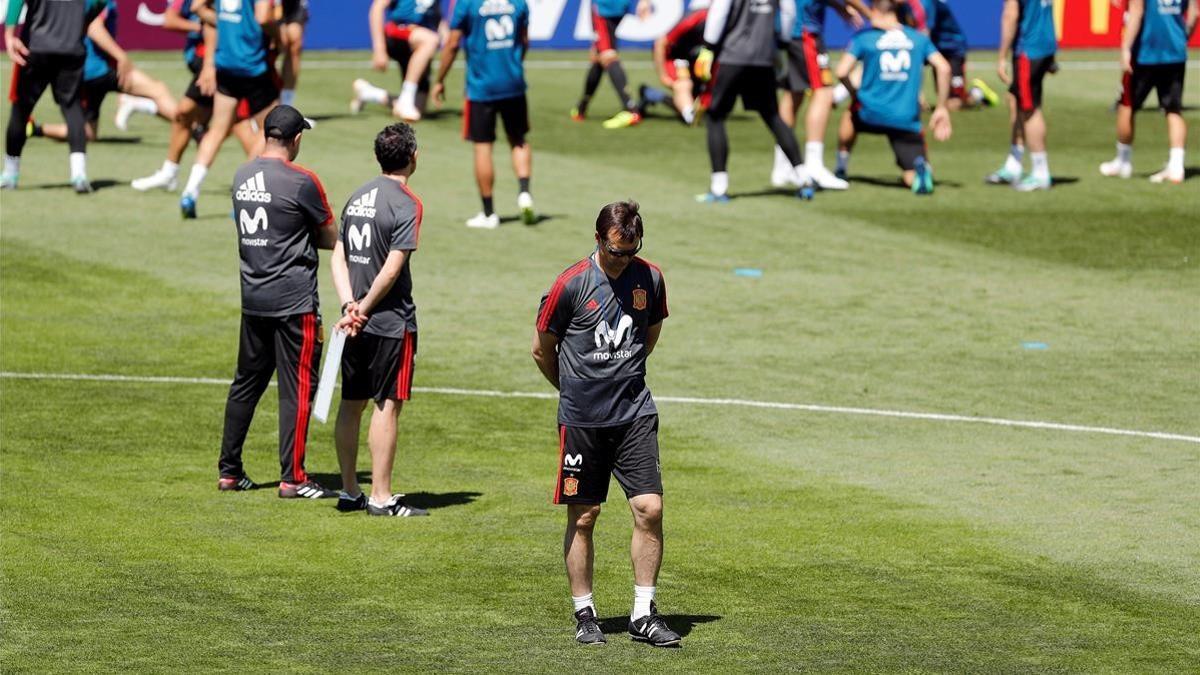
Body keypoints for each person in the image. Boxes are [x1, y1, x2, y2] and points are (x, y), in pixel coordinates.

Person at [531, 201, 679, 647]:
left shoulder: (649, 277)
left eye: (631, 251)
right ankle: (585, 613)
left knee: (649, 508)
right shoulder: (570, 284)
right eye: (616, 251)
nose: (623, 260)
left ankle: (642, 613)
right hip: (582, 421)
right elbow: (542, 349)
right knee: (585, 516)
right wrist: (573, 388)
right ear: (598, 240)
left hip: (634, 413)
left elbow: (649, 333)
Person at [218, 105, 339, 499]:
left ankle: (229, 471)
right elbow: (330, 236)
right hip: (293, 302)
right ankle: (294, 477)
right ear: (296, 138)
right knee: (298, 388)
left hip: (253, 297)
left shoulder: (240, 175)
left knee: (246, 384)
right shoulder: (303, 181)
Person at [329, 123, 430, 517]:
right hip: (389, 322)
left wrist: (348, 305)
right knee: (386, 406)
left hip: (353, 320)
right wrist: (366, 307)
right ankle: (381, 496)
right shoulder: (407, 203)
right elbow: (392, 268)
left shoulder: (357, 197)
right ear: (413, 157)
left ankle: (350, 490)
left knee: (351, 403)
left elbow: (337, 253)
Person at [130, 0, 257, 192]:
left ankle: (263, 180)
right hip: (212, 62)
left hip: (225, 61)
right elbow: (173, 19)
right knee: (185, 114)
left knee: (239, 123)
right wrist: (200, 26)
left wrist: (210, 63)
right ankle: (169, 173)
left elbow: (209, 17)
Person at [693, 0, 813, 201]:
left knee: (715, 116)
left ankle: (719, 186)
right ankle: (803, 177)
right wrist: (782, 45)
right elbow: (789, 11)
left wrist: (708, 46)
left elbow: (719, 11)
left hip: (731, 55)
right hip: (763, 57)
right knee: (772, 116)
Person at [432, 0, 535, 229]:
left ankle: (489, 213)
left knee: (482, 146)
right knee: (518, 139)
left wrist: (439, 80)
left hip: (481, 88)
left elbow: (452, 43)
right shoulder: (518, 2)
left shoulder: (467, 3)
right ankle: (525, 193)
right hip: (514, 83)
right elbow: (524, 40)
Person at [833, 0, 952, 194]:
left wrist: (855, 94)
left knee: (850, 114)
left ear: (873, 10)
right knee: (910, 175)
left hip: (869, 112)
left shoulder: (865, 38)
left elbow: (841, 71)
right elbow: (944, 68)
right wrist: (941, 107)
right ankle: (919, 171)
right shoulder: (918, 39)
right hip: (905, 118)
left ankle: (841, 167)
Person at [179, 0, 280, 219]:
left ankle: (190, 191)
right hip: (253, 66)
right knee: (271, 129)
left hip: (226, 64)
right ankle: (242, 193)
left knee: (217, 129)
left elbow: (197, 7)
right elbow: (263, 17)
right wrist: (278, 35)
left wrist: (227, 24)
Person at [32, 0, 178, 144]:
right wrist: (121, 56)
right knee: (158, 90)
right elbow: (94, 27)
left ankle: (33, 129)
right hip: (97, 69)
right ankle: (195, 129)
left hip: (86, 71)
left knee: (87, 132)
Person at [2, 0, 102, 193]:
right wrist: (82, 22)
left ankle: (10, 174)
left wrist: (8, 34)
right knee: (72, 108)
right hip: (71, 47)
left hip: (35, 47)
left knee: (21, 109)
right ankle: (79, 174)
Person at [772, 0, 869, 191]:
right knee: (823, 92)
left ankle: (782, 166)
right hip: (804, 31)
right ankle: (813, 165)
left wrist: (839, 8)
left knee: (793, 93)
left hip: (787, 29)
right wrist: (871, 14)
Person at [1099, 0, 1196, 184]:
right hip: (1174, 52)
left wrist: (1126, 48)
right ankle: (1176, 166)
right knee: (1173, 110)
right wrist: (1181, 39)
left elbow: (1137, 12)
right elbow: (1193, 15)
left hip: (1145, 52)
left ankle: (1123, 160)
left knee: (1127, 105)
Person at [986, 0, 1056, 191]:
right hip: (1043, 45)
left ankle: (1041, 172)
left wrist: (1001, 56)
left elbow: (1010, 15)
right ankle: (1014, 163)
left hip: (1029, 49)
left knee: (1029, 109)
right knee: (1016, 101)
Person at [352, 0, 442, 121]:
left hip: (419, 42)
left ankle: (369, 93)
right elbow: (377, 8)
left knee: (419, 108)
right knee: (431, 40)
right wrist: (379, 49)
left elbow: (437, 15)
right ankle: (406, 98)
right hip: (398, 31)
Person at [897, 0, 995, 111]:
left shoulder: (925, 4)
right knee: (942, 95)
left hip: (953, 48)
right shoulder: (900, 6)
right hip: (936, 48)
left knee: (953, 103)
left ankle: (978, 93)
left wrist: (918, 93)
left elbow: (923, 39)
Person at [572, 0, 652, 128]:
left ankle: (631, 110)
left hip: (604, 8)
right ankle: (581, 107)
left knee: (607, 56)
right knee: (600, 57)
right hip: (618, 7)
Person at [636, 0, 709, 125]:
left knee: (692, 100)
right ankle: (690, 117)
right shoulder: (696, 17)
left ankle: (651, 94)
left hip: (694, 59)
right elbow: (660, 43)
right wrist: (663, 75)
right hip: (675, 56)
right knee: (683, 85)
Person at [277, 0, 308, 106]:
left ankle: (286, 105)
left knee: (296, 42)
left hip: (293, 4)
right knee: (270, 46)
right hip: (268, 3)